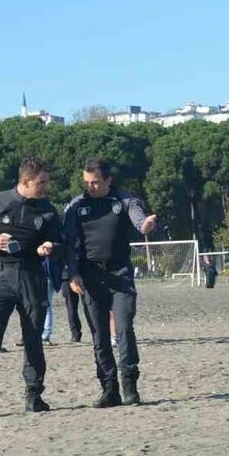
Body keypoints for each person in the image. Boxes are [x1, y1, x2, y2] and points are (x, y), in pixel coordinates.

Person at [0, 157, 64, 414]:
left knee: (33, 337)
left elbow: (60, 242)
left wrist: (51, 247)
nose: (45, 187)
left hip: (32, 276)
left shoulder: (47, 209)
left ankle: (34, 395)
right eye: (41, 183)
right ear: (25, 181)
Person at [64, 157, 157, 407]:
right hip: (90, 278)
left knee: (124, 328)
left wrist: (144, 225)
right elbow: (68, 244)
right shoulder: (76, 205)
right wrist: (72, 273)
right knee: (99, 337)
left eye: (95, 182)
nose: (90, 187)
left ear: (108, 180)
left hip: (120, 275)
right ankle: (109, 388)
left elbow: (138, 218)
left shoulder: (125, 200)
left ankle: (130, 385)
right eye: (86, 182)